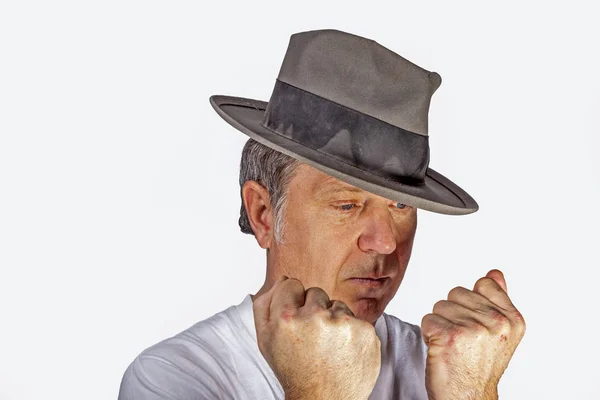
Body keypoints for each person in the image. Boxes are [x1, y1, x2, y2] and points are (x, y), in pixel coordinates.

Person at [118, 29, 526, 400]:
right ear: (263, 214)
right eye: (347, 204)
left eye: (401, 205)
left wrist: (474, 393)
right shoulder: (174, 378)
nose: (385, 242)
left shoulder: (447, 366)